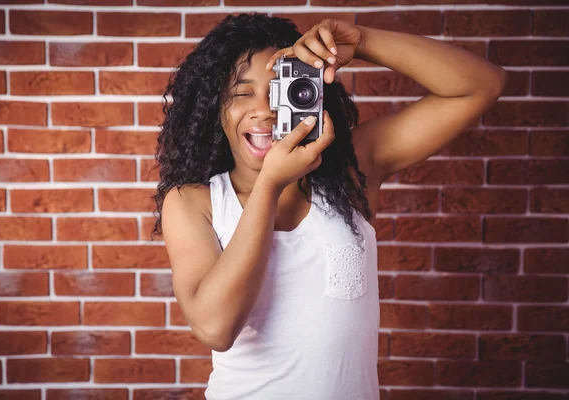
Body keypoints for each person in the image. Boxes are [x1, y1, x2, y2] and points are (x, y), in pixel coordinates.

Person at [151, 12, 507, 400]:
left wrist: (364, 42)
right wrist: (270, 184)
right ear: (215, 111)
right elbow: (215, 329)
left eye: (279, 91)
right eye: (240, 93)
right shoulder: (194, 202)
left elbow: (481, 86)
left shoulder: (353, 170)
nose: (264, 110)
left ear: (312, 93)